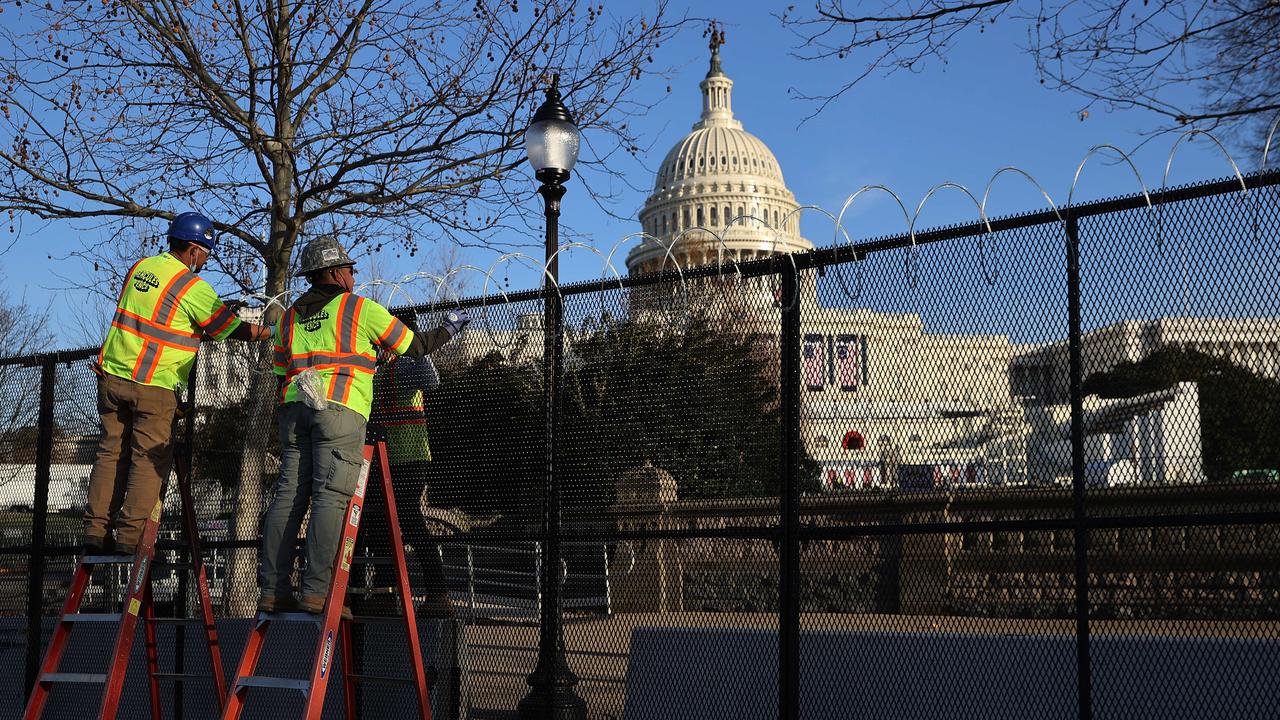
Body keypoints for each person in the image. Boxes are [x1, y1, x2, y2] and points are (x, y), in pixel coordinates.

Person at [258, 236, 468, 616]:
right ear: (336, 272)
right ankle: (317, 592)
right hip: (340, 412)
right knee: (330, 497)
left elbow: (279, 371)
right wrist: (451, 329)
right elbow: (415, 346)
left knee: (288, 497)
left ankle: (273, 589)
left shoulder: (289, 316)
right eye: (350, 270)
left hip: (293, 411)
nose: (354, 276)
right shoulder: (357, 308)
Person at [84, 212, 272, 556]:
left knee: (110, 455)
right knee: (148, 460)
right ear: (193, 249)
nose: (205, 261)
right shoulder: (191, 286)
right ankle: (129, 537)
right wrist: (268, 331)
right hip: (153, 386)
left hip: (111, 378)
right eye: (205, 253)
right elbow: (230, 328)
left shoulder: (140, 268)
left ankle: (96, 530)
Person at [361, 309, 454, 617]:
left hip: (410, 457)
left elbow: (431, 381)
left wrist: (415, 348)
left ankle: (438, 593)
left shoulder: (406, 365)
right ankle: (387, 593)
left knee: (409, 519)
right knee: (378, 523)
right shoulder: (380, 371)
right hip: (383, 459)